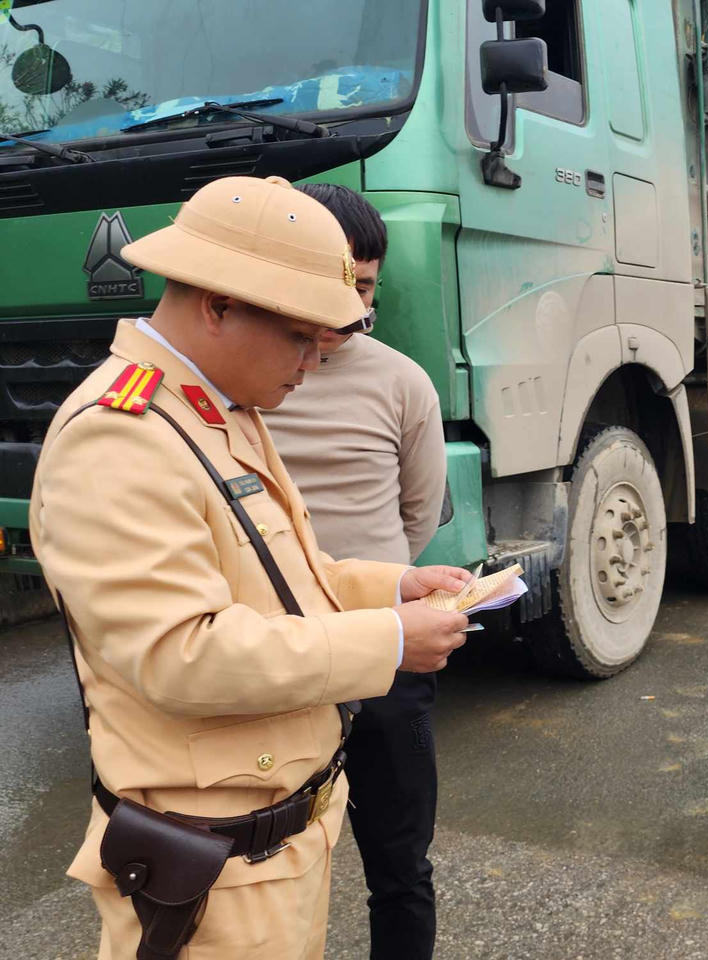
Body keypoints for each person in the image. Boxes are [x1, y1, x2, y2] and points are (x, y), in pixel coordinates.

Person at [29, 174, 474, 960]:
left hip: (263, 852)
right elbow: (183, 654)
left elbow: (281, 577)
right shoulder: (122, 433)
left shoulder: (217, 405)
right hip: (207, 871)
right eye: (301, 337)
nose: (314, 361)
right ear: (218, 306)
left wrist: (392, 585)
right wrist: (391, 640)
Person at [262, 183, 447, 959]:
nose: (350, 307)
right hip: (273, 654)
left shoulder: (403, 382)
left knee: (400, 866)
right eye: (334, 283)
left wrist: (377, 581)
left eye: (365, 287)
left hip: (384, 653)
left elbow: (419, 514)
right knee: (262, 867)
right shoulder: (238, 383)